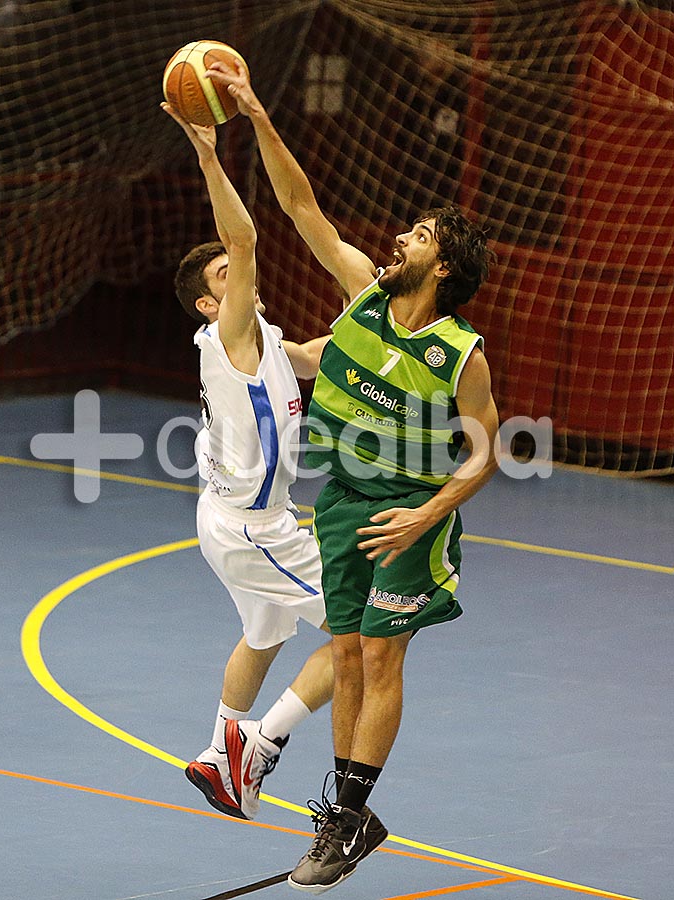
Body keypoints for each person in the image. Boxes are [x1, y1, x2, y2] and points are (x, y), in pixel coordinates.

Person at [205, 60, 500, 892]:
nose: (402, 238)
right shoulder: (364, 297)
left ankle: (343, 815)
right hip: (342, 503)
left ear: (442, 269)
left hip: (411, 510)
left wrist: (426, 516)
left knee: (380, 652)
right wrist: (258, 117)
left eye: (420, 237)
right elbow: (301, 207)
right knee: (344, 647)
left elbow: (483, 447)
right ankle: (352, 815)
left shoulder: (460, 352)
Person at [160, 101, 335, 823]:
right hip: (253, 527)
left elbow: (309, 358)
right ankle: (259, 745)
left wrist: (381, 316)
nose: (243, 271)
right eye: (228, 273)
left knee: (264, 636)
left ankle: (214, 750)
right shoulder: (229, 330)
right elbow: (245, 229)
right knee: (364, 632)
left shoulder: (256, 332)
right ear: (209, 303)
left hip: (233, 520)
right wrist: (208, 153)